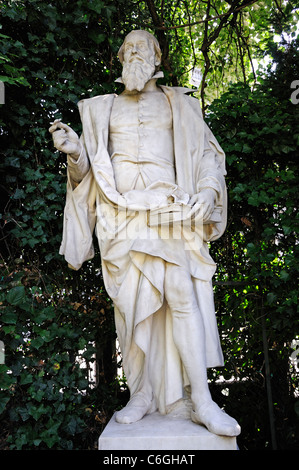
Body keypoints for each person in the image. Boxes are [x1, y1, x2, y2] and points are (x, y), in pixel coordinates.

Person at [49, 30, 240, 437]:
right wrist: (75, 152)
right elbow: (89, 178)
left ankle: (202, 400)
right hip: (119, 215)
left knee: (180, 292)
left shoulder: (181, 105)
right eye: (127, 48)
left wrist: (207, 190)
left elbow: (208, 155)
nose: (133, 53)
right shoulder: (102, 109)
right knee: (131, 309)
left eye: (142, 47)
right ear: (120, 58)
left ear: (156, 57)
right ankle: (141, 393)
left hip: (166, 208)